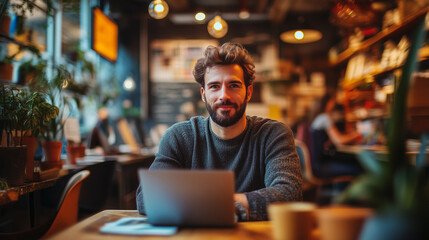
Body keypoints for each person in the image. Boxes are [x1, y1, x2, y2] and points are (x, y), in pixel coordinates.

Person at [136, 42, 303, 221]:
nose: (224, 95)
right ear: (203, 94)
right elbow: (148, 197)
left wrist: (209, 202)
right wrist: (235, 204)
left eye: (234, 85)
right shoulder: (179, 137)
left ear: (248, 92)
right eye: (214, 86)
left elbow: (289, 193)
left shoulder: (273, 134)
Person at [309, 93, 363, 178]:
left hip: (315, 165)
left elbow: (326, 143)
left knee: (351, 162)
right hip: (321, 167)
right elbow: (339, 140)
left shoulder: (317, 118)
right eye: (332, 102)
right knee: (358, 167)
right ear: (328, 103)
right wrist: (357, 134)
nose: (333, 105)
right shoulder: (324, 118)